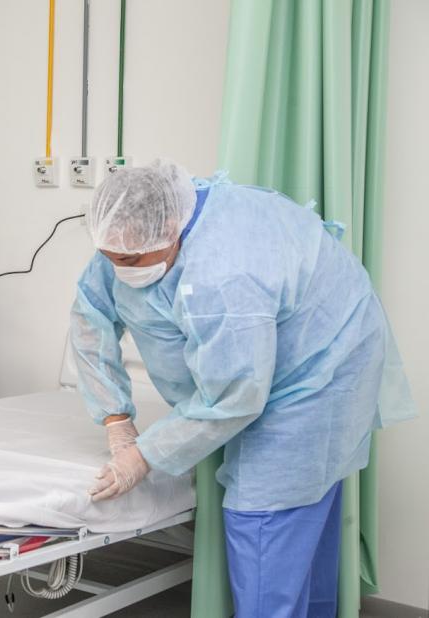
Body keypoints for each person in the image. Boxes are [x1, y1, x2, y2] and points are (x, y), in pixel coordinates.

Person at [70, 159, 417, 618]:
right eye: (109, 257)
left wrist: (144, 455)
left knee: (266, 517)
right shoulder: (133, 226)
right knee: (299, 534)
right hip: (271, 357)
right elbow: (90, 312)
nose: (120, 269)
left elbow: (234, 396)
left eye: (130, 261)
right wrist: (115, 417)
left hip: (320, 372)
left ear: (170, 230)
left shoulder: (224, 273)